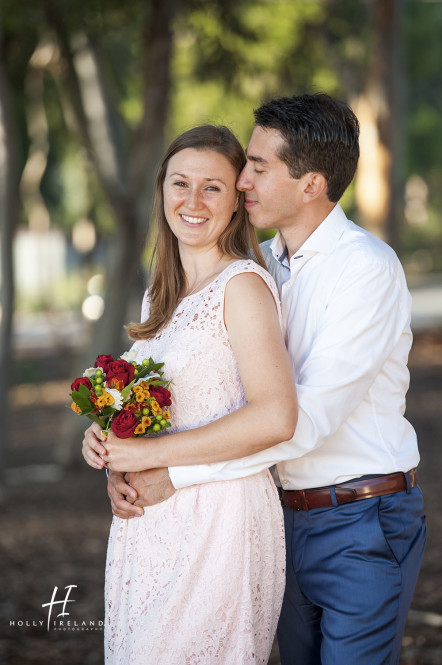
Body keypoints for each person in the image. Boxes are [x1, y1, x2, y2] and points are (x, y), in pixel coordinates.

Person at [84, 94, 427, 665]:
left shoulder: (365, 270)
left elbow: (297, 421)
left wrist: (171, 469)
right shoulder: (262, 263)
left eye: (258, 167)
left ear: (311, 183)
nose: (242, 180)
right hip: (276, 513)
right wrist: (126, 453)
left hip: (359, 516)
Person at [82, 124, 298, 664]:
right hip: (150, 524)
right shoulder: (161, 293)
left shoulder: (242, 286)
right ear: (162, 190)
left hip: (219, 521)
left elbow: (276, 417)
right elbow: (156, 407)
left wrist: (148, 455)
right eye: (180, 183)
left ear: (236, 204)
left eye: (213, 187)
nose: (192, 201)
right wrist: (111, 450)